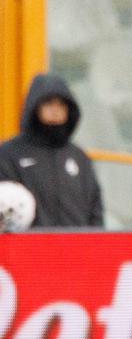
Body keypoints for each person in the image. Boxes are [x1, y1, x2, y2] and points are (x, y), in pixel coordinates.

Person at [0, 73, 104, 228]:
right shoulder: (10, 154)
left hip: (77, 248)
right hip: (27, 248)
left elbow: (95, 210)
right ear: (35, 107)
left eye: (61, 105)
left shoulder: (78, 157)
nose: (55, 110)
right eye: (48, 103)